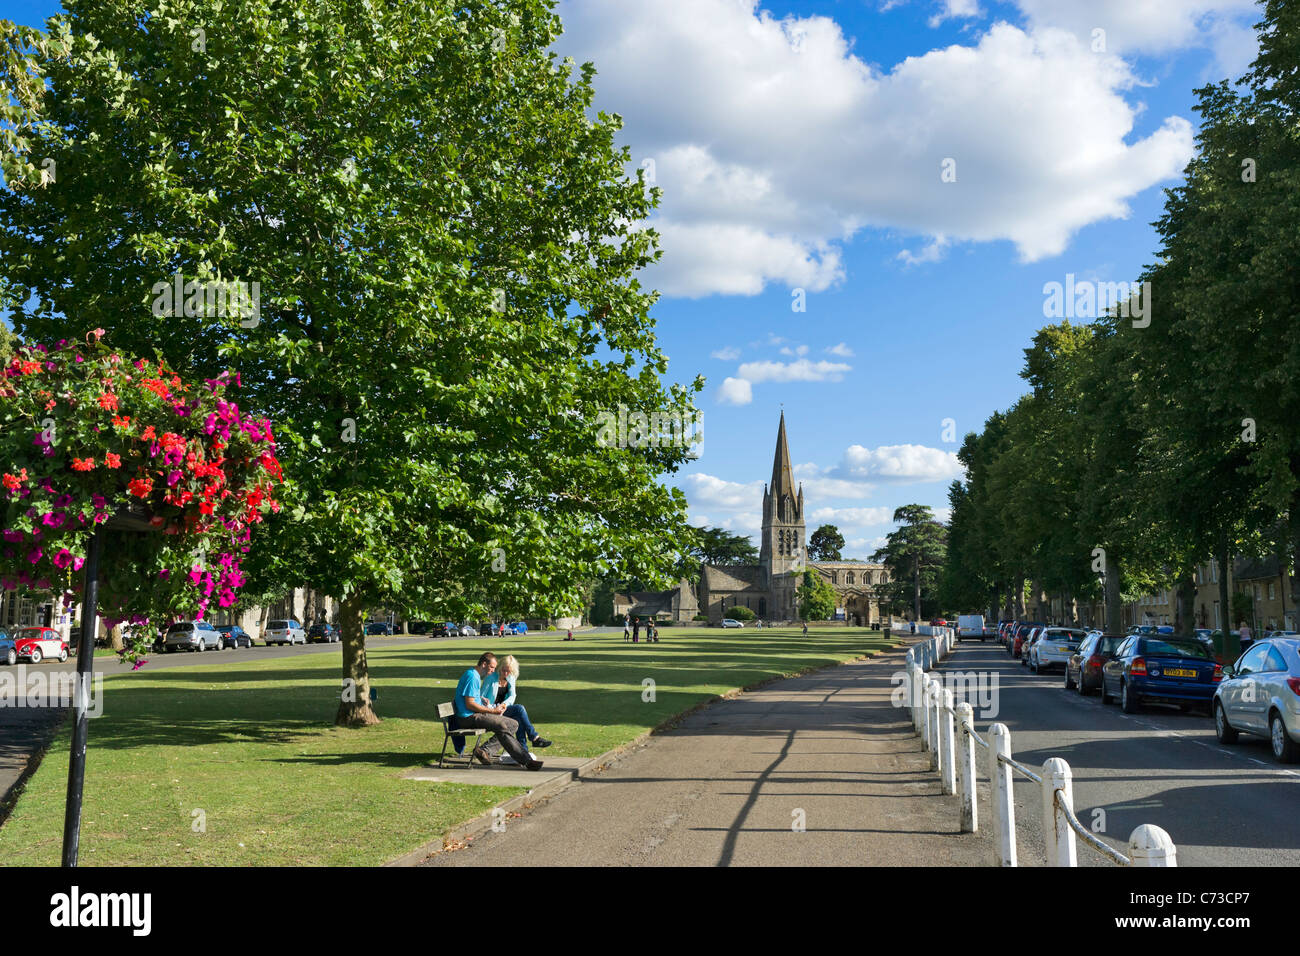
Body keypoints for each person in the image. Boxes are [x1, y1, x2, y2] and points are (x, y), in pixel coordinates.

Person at [451, 652, 542, 770]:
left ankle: (484, 751)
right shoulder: (472, 676)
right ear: (484, 664)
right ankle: (527, 761)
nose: (494, 670)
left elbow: (473, 699)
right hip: (467, 717)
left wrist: (482, 700)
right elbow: (470, 704)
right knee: (500, 724)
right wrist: (493, 711)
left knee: (513, 724)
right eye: (492, 667)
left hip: (474, 714)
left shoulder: (475, 675)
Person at [484, 655, 552, 763]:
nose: (506, 673)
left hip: (502, 710)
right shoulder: (490, 678)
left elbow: (512, 696)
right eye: (504, 670)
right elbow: (481, 698)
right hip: (490, 712)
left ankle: (524, 750)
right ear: (500, 667)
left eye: (508, 671)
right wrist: (494, 708)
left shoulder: (511, 678)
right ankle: (534, 738)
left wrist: (503, 706)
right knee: (519, 709)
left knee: (518, 718)